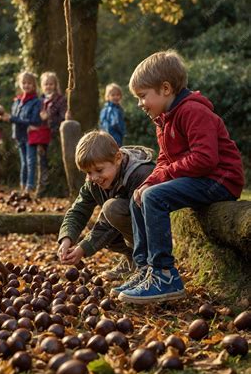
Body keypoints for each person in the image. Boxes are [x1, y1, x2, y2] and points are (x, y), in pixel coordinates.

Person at [115, 49, 244, 304]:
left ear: (165, 88)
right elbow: (165, 159)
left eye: (142, 96)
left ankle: (165, 275)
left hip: (220, 180)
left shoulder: (193, 112)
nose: (140, 104)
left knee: (153, 197)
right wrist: (150, 181)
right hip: (200, 179)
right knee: (139, 195)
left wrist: (161, 180)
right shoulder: (164, 120)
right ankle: (145, 269)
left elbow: (206, 159)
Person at [57, 130, 155, 281]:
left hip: (150, 231)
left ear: (117, 158)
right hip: (128, 227)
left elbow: (108, 224)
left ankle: (146, 260)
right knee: (106, 219)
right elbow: (78, 210)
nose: (94, 177)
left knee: (111, 210)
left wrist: (84, 247)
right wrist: (66, 238)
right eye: (88, 172)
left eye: (99, 170)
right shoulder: (93, 181)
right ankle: (131, 257)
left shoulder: (140, 174)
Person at [1, 71, 42, 197]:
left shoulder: (36, 102)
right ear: (20, 84)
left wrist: (12, 118)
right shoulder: (17, 101)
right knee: (23, 162)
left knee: (31, 161)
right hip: (19, 135)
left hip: (31, 136)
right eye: (24, 83)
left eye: (29, 83)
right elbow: (15, 118)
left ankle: (30, 187)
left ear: (34, 85)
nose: (26, 85)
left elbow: (34, 121)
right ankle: (22, 186)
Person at [29, 71, 67, 198]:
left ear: (56, 85)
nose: (48, 87)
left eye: (51, 84)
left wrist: (49, 116)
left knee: (55, 162)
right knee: (42, 162)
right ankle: (42, 189)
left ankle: (59, 190)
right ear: (42, 85)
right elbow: (34, 118)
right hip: (41, 136)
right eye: (46, 84)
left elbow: (63, 118)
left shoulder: (61, 100)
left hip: (54, 136)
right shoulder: (40, 101)